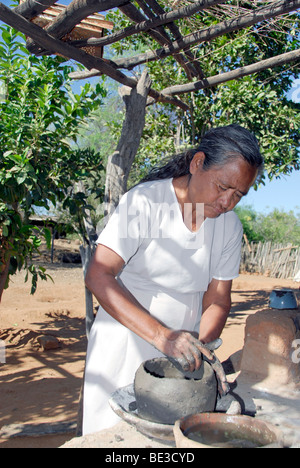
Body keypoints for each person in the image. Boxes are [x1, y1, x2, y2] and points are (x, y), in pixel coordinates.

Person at [82, 124, 264, 435]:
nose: (227, 203)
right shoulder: (144, 203)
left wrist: (200, 348)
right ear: (197, 163)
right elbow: (99, 274)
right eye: (222, 187)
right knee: (114, 434)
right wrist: (163, 337)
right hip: (125, 338)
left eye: (238, 195)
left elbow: (218, 297)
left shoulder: (228, 227)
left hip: (183, 346)